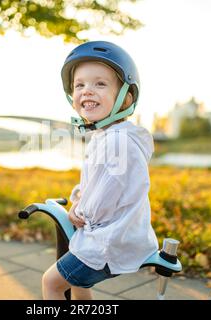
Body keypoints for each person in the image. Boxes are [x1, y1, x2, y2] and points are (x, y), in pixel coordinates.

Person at [42, 41, 159, 300]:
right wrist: (79, 196)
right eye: (79, 85)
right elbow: (95, 182)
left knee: (51, 283)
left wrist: (79, 210)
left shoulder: (118, 141)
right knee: (77, 283)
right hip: (117, 236)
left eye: (100, 84)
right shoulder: (109, 136)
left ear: (126, 96)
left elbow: (103, 201)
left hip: (110, 243)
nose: (87, 91)